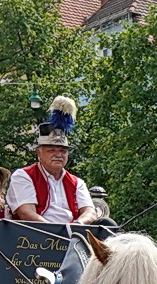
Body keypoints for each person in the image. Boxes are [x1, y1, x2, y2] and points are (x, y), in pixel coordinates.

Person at [7, 96, 99, 225]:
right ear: (39, 153)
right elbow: (26, 212)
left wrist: (78, 224)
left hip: (72, 234)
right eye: (52, 150)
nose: (58, 155)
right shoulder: (23, 176)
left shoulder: (77, 182)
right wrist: (53, 230)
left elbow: (90, 212)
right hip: (33, 236)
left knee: (108, 223)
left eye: (63, 151)